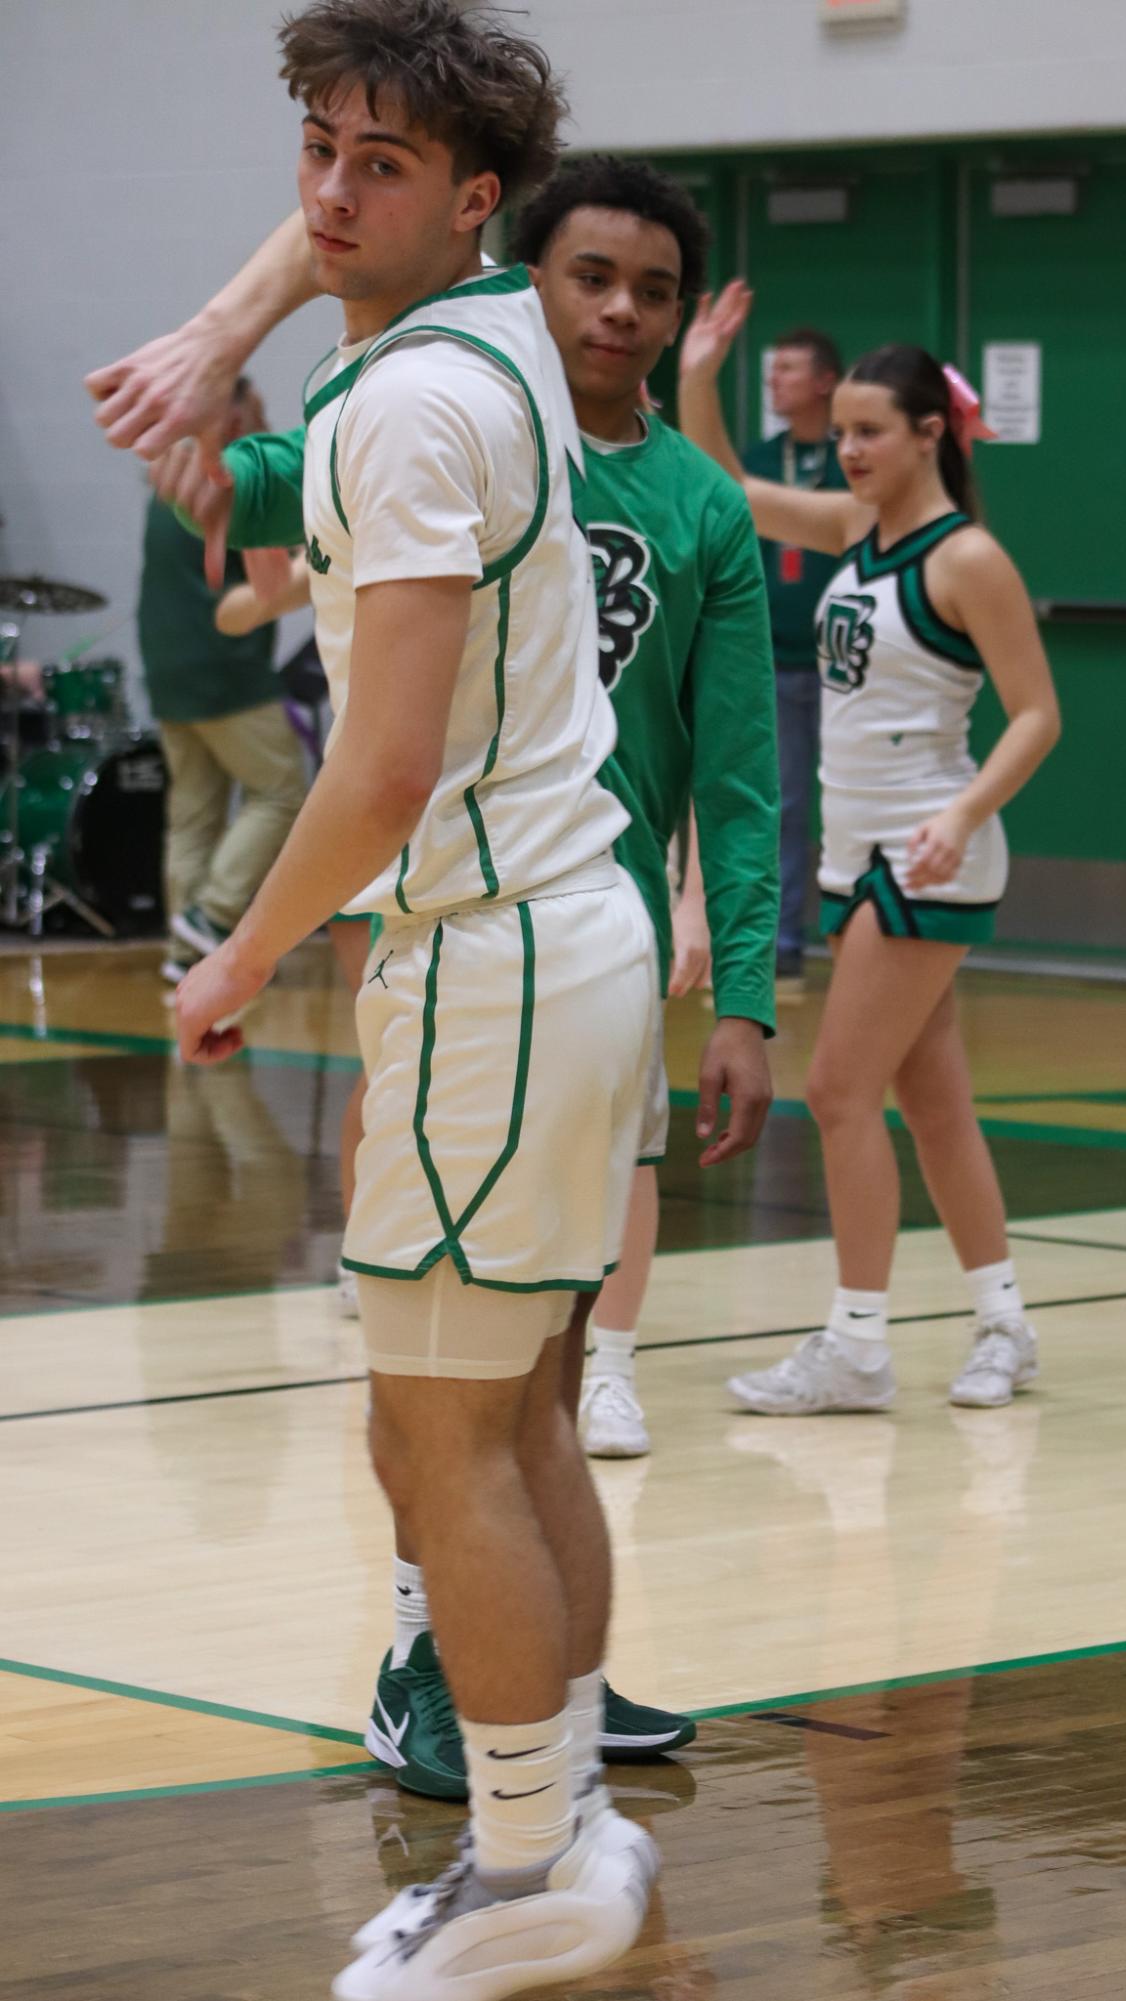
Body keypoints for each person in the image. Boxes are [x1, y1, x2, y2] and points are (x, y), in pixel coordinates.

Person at [92, 158, 781, 1793]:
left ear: (681, 323)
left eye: (653, 288)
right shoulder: (459, 410)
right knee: (455, 1382)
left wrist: (743, 987)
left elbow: (739, 776)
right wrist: (204, 406)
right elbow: (260, 479)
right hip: (458, 943)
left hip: (566, 952)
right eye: (589, 274)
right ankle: (436, 1655)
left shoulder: (686, 503)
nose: (616, 307)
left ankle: (531, 1742)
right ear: (519, 279)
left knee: (510, 1379)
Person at [121, 6, 667, 1995]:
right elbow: (348, 243)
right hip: (558, 934)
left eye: (380, 164)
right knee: (500, 1419)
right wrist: (230, 322)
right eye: (313, 154)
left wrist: (241, 958)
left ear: (476, 203)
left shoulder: (407, 407)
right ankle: (571, 1821)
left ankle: (524, 1868)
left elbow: (382, 764)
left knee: (445, 1437)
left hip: (493, 954)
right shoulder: (490, 337)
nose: (330, 196)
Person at [680, 281, 1062, 1415]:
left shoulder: (965, 561)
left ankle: (855, 1343)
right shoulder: (856, 531)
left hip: (924, 854)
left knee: (838, 1092)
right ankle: (1002, 1323)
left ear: (927, 435)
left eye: (864, 432)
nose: (843, 449)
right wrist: (696, 372)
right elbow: (728, 492)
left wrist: (957, 816)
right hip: (852, 858)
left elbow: (1037, 713)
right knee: (933, 1103)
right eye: (837, 430)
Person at [136, 377, 308, 985]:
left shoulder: (170, 480)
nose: (264, 419)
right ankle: (212, 919)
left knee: (193, 813)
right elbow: (294, 562)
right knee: (284, 790)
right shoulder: (225, 480)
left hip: (166, 670)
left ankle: (184, 956)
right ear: (230, 416)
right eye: (256, 408)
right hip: (222, 669)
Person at [742, 329, 847, 985]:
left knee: (847, 803)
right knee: (780, 803)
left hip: (843, 667)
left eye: (788, 369)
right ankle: (782, 940)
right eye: (771, 368)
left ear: (824, 382)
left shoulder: (852, 463)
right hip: (774, 661)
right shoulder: (756, 460)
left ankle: (855, 931)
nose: (774, 380)